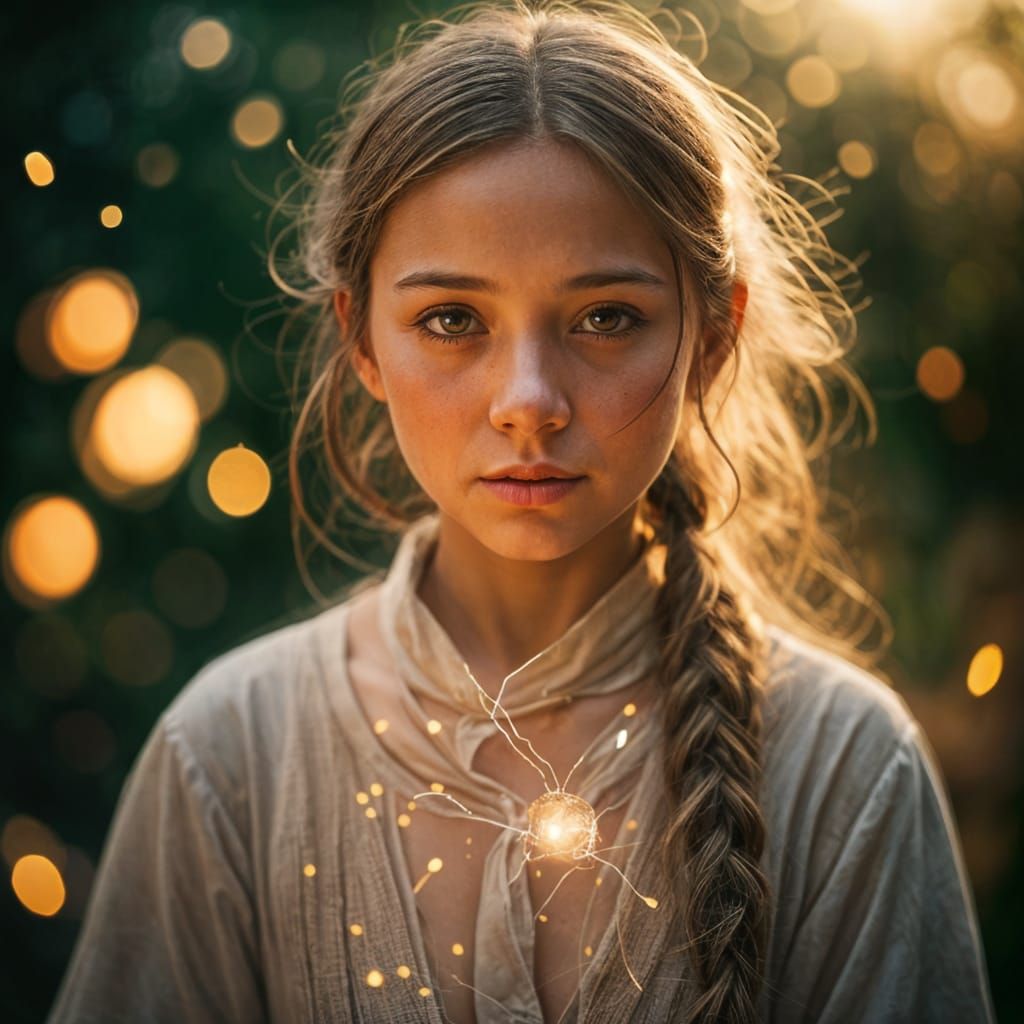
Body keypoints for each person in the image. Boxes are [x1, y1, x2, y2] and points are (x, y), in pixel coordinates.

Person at [47, 1, 997, 1022]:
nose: (528, 401)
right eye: (452, 320)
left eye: (605, 318)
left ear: (712, 337)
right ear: (361, 336)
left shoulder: (843, 773)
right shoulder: (230, 760)